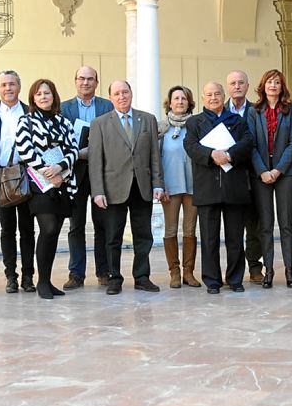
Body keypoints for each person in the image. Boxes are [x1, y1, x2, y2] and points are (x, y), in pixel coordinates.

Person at [89, 80, 164, 295]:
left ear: (131, 93)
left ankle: (142, 276)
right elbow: (95, 161)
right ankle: (114, 278)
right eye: (117, 93)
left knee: (144, 235)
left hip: (142, 187)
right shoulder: (100, 123)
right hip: (113, 189)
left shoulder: (147, 119)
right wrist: (98, 191)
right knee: (113, 237)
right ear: (110, 97)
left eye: (125, 92)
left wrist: (158, 183)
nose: (122, 96)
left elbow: (154, 156)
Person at [184, 81, 254, 294]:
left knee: (235, 238)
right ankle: (212, 281)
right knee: (209, 238)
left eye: (217, 94)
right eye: (209, 95)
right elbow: (190, 145)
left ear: (224, 96)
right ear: (203, 98)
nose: (213, 98)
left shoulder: (237, 120)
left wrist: (229, 155)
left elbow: (247, 142)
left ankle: (235, 279)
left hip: (234, 187)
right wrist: (210, 155)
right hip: (207, 188)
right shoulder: (195, 122)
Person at [15, 79, 78, 300]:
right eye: (39, 94)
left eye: (47, 93)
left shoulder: (64, 122)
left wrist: (60, 169)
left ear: (54, 96)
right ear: (33, 98)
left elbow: (73, 149)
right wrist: (47, 171)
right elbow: (25, 150)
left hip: (63, 182)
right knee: (48, 228)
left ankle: (48, 280)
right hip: (40, 184)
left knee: (54, 233)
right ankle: (41, 282)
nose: (43, 97)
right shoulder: (26, 121)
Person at [0, 70, 36, 293]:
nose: (8, 88)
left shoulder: (31, 113)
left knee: (28, 229)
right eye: (3, 85)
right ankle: (11, 276)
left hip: (28, 177)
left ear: (19, 87)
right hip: (0, 179)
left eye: (12, 84)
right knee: (7, 228)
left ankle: (28, 277)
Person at [60, 66, 113, 289]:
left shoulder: (106, 106)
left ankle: (104, 271)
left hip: (101, 171)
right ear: (75, 81)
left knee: (103, 224)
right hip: (75, 172)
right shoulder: (64, 108)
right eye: (81, 78)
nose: (85, 82)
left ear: (96, 82)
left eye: (90, 79)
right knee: (76, 225)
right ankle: (76, 274)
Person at [246, 70, 292, 289]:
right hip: (261, 175)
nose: (273, 86)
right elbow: (251, 144)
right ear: (263, 85)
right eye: (270, 82)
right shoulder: (253, 111)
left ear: (282, 87)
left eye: (277, 82)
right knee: (265, 225)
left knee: (286, 224)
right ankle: (268, 270)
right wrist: (262, 171)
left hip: (285, 173)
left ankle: (289, 270)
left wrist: (277, 170)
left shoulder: (290, 110)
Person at [157, 85, 200, 288]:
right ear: (170, 102)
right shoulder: (161, 128)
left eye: (184, 98)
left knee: (190, 230)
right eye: (176, 98)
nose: (180, 102)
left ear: (189, 102)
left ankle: (188, 272)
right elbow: (155, 159)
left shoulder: (197, 125)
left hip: (193, 186)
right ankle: (174, 272)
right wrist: (158, 185)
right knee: (170, 230)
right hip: (170, 187)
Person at [226, 70, 263, 283]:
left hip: (253, 176)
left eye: (241, 83)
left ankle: (255, 267)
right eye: (233, 83)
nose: (237, 86)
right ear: (228, 87)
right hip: (230, 176)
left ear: (248, 86)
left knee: (254, 226)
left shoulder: (256, 110)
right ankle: (234, 270)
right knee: (233, 227)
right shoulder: (221, 111)